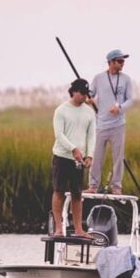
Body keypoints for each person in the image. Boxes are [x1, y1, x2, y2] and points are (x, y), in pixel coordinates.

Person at [85, 49, 133, 195]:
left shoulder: (126, 79)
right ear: (111, 62)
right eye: (119, 61)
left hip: (118, 125)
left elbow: (130, 100)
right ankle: (93, 185)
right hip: (101, 125)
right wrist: (89, 100)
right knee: (97, 156)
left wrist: (119, 108)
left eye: (123, 61)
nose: (122, 63)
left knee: (118, 158)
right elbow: (90, 95)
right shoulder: (98, 78)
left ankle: (116, 187)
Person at [51, 78, 96, 237]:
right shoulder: (61, 110)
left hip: (79, 160)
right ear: (74, 92)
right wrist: (73, 149)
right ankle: (58, 228)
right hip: (62, 156)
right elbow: (59, 135)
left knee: (77, 194)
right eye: (82, 93)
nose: (85, 97)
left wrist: (89, 155)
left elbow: (91, 136)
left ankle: (78, 229)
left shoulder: (89, 112)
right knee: (59, 191)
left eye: (86, 94)